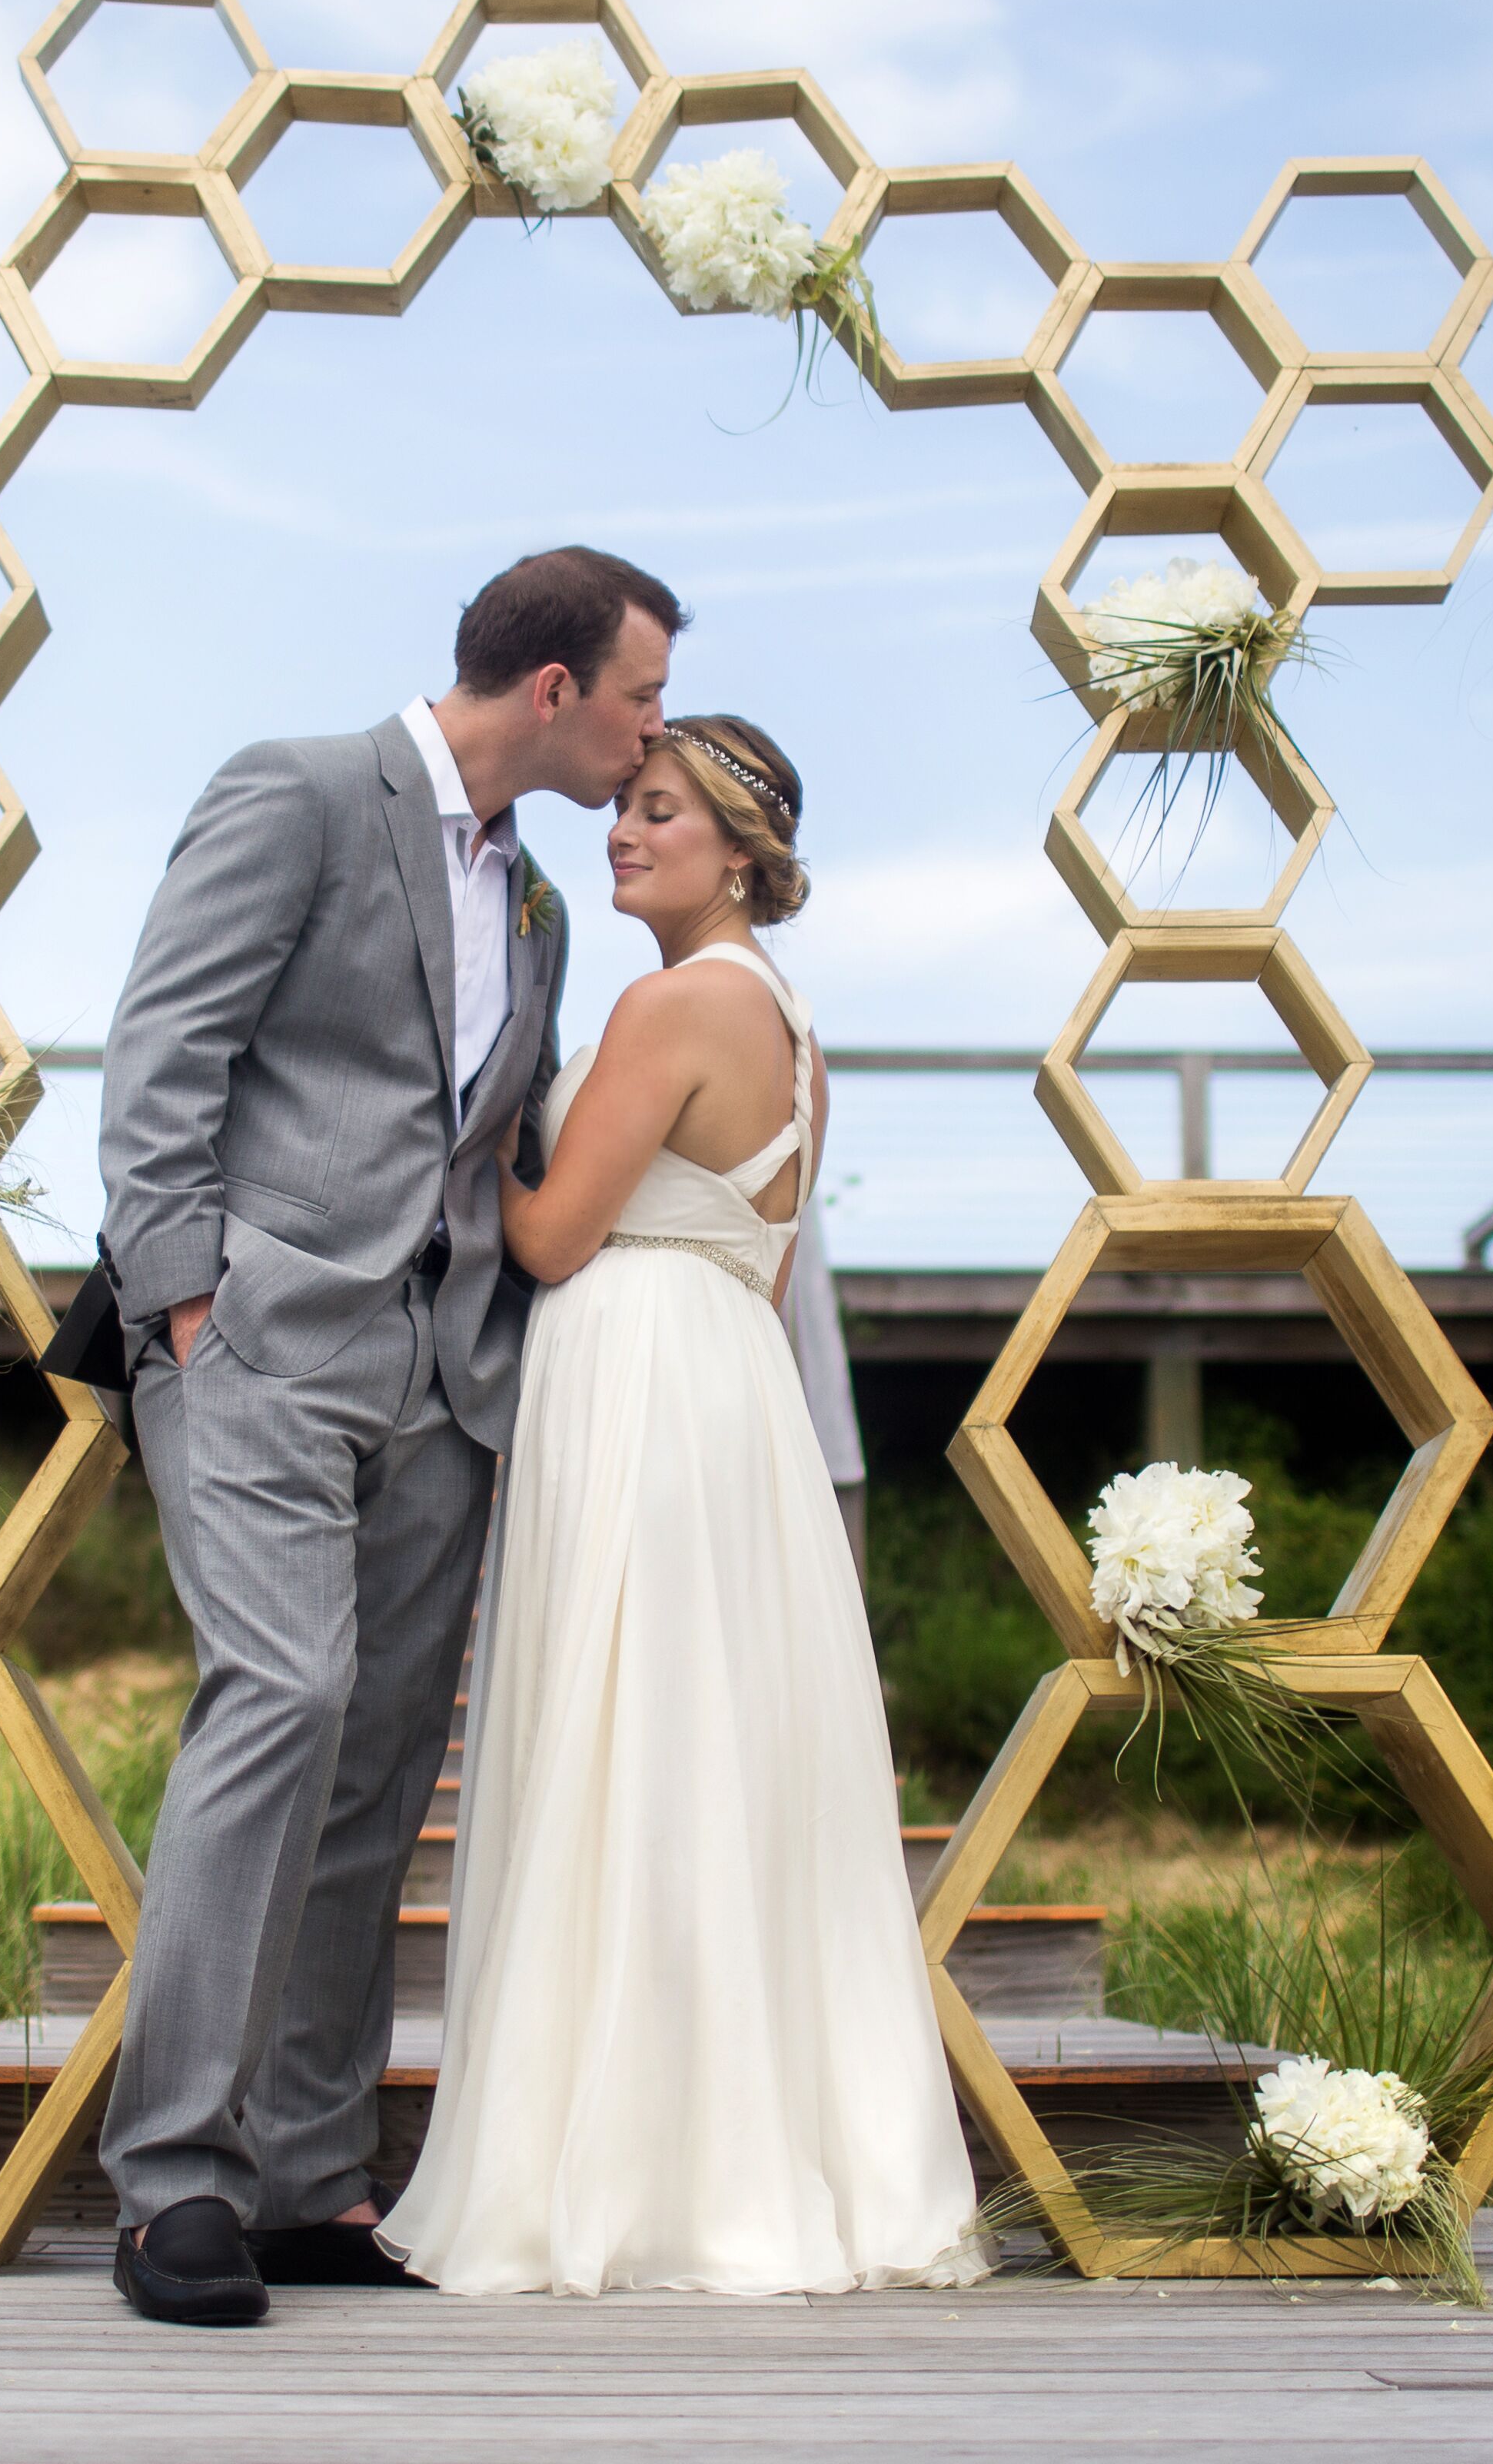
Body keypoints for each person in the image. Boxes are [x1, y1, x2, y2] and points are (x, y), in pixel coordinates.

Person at [91, 544, 679, 2328]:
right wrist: (185, 1301)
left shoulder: (541, 914)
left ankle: (301, 2179)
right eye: (641, 696)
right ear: (556, 688)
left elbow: (491, 1145)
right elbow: (160, 1055)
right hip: (257, 1344)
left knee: (375, 1768)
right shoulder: (296, 793)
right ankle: (171, 2186)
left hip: (441, 1381)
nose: (651, 733)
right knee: (279, 1697)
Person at [377, 716, 989, 2297]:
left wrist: (468, 1130)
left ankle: (621, 2172)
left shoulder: (665, 1006)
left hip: (633, 1380)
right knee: (714, 1761)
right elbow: (771, 1270)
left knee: (619, 1747)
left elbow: (554, 1236)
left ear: (736, 850)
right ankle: (743, 2148)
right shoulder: (790, 1028)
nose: (622, 833)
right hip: (732, 1400)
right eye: (626, 809)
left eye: (658, 815)